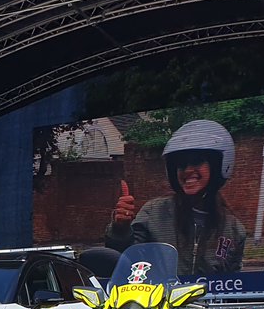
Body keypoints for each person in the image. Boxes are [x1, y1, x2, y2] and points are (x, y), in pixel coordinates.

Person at [105, 119, 246, 278]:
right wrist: (121, 229)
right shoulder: (154, 213)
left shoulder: (234, 230)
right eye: (181, 164)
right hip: (160, 300)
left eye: (196, 161)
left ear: (217, 165)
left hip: (205, 302)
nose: (187, 170)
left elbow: (235, 285)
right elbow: (126, 261)